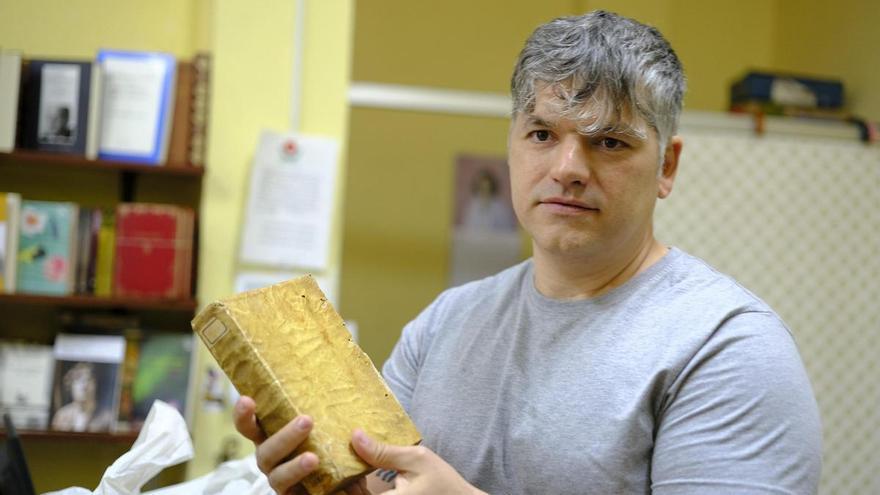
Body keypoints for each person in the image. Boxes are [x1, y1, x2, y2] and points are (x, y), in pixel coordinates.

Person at [235, 10, 822, 494]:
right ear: (512, 145)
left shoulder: (728, 347)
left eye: (609, 142)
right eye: (542, 134)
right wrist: (330, 485)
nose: (567, 169)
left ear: (666, 167)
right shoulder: (442, 326)